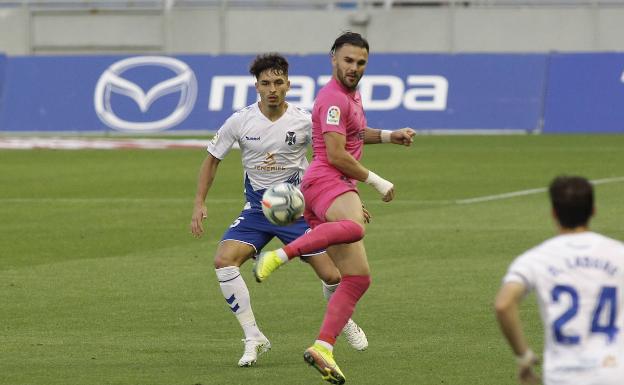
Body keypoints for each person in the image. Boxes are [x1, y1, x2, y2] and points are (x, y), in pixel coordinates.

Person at [253, 33, 416, 384]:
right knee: (356, 227)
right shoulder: (330, 98)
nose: (354, 68)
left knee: (357, 278)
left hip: (340, 186)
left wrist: (390, 135)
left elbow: (355, 134)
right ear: (333, 59)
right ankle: (280, 256)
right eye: (348, 61)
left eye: (360, 63)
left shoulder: (350, 96)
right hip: (326, 180)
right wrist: (377, 182)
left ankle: (323, 347)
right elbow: (338, 153)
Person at [190, 53, 368, 368]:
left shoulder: (304, 119)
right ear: (256, 86)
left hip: (299, 208)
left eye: (278, 82)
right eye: (265, 83)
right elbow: (212, 158)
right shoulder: (240, 120)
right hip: (258, 209)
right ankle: (253, 337)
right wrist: (199, 202)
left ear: (288, 84)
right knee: (223, 261)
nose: (272, 88)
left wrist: (346, 196)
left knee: (332, 275)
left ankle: (342, 320)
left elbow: (330, 158)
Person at [495, 176, 624, 385]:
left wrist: (524, 356)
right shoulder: (619, 253)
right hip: (614, 373)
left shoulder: (536, 258)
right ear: (594, 210)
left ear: (553, 213)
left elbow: (503, 304)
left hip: (563, 375)